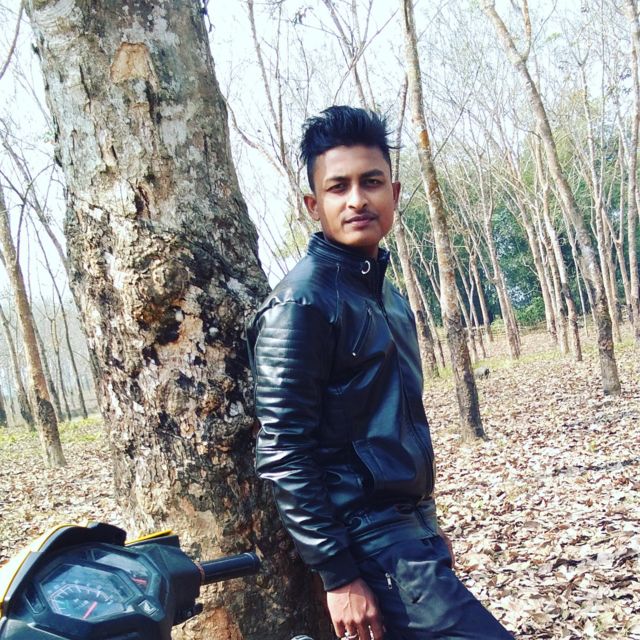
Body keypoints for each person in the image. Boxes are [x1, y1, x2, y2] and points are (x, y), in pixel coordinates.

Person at [247, 106, 512, 640]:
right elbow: (283, 450)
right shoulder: (300, 305)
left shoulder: (385, 296)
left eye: (370, 182)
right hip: (366, 538)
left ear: (393, 191)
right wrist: (338, 574)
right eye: (338, 186)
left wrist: (427, 524)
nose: (357, 200)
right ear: (313, 205)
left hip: (408, 530)